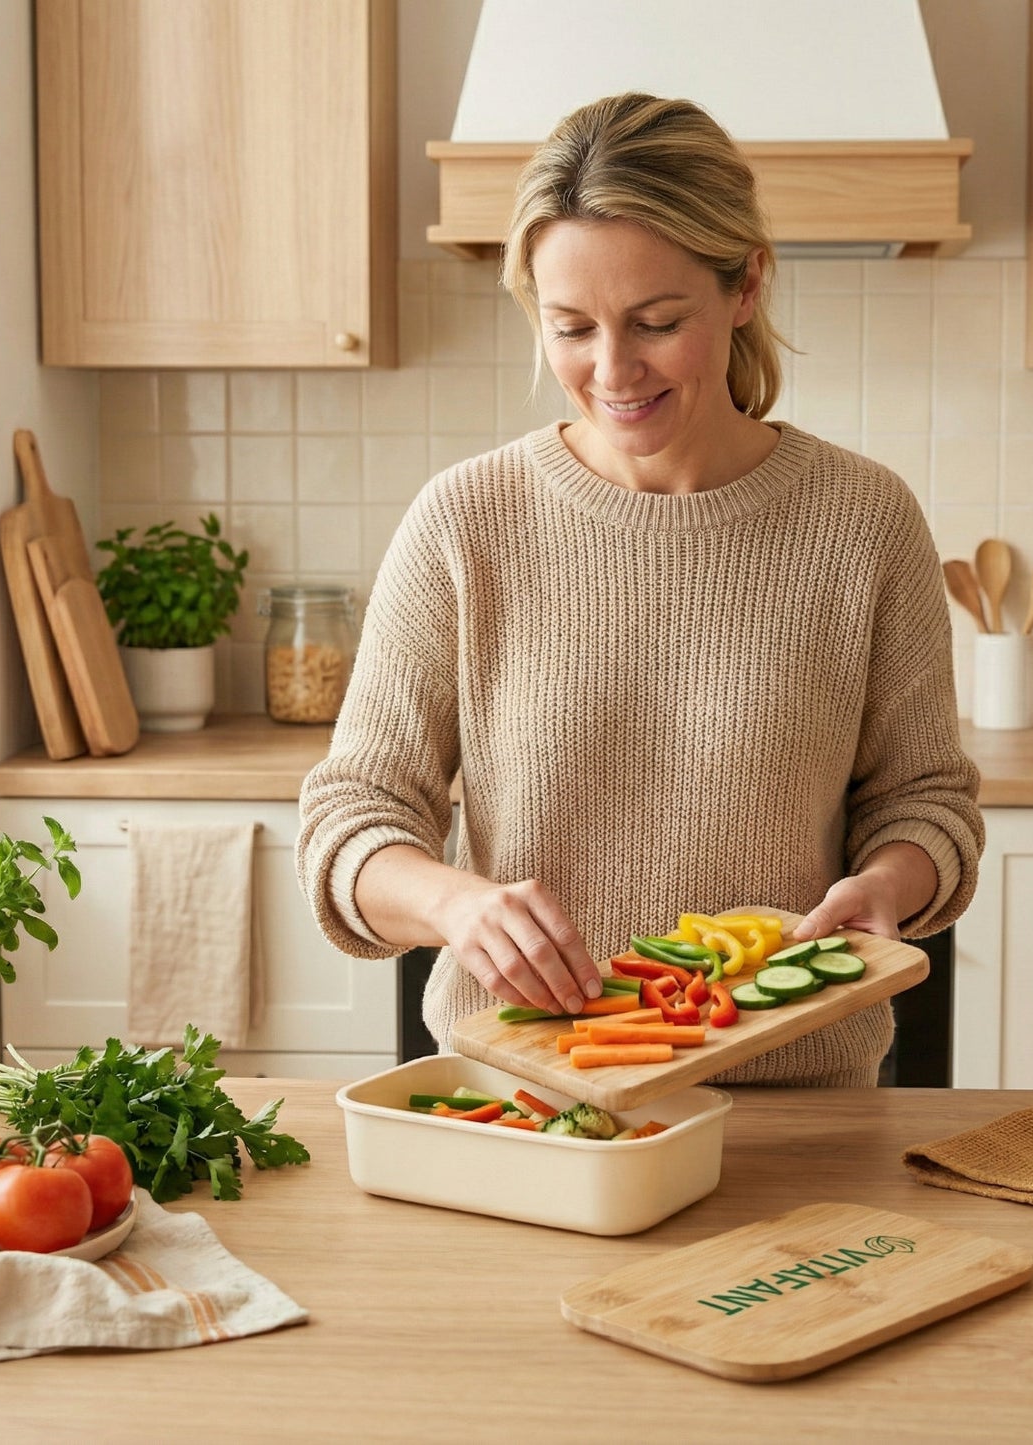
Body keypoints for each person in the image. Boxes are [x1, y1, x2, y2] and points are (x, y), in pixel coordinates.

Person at [296, 92, 983, 1086]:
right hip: (528, 1104)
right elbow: (350, 818)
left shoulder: (863, 522)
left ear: (744, 285)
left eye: (656, 322)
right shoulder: (464, 522)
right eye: (570, 327)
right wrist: (455, 904)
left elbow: (925, 801)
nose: (612, 370)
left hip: (797, 1115)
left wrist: (884, 885)